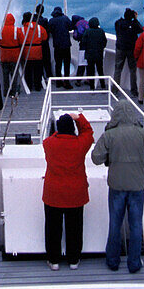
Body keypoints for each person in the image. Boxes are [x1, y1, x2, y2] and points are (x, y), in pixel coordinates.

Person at [91, 101, 144, 274]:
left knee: (115, 223)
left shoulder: (110, 135)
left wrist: (110, 157)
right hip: (137, 186)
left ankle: (113, 261)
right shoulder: (143, 134)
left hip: (116, 186)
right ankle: (134, 263)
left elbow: (96, 158)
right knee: (136, 225)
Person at [42, 111, 94, 270]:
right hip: (75, 193)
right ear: (72, 128)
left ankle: (54, 260)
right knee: (75, 227)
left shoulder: (49, 144)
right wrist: (79, 117)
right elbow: (89, 132)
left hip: (54, 193)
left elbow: (53, 137)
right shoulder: (80, 144)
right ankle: (73, 259)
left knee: (53, 228)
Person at [113, 8, 143, 98]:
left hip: (120, 48)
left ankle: (115, 90)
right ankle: (134, 91)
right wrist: (135, 19)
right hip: (131, 49)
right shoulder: (133, 24)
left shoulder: (118, 23)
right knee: (132, 70)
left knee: (118, 70)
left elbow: (117, 26)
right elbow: (141, 29)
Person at [16, 12, 48, 91]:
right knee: (38, 70)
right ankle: (38, 86)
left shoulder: (22, 29)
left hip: (27, 53)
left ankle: (29, 86)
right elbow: (45, 37)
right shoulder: (40, 28)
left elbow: (19, 40)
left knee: (28, 71)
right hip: (38, 52)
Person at [0, 12, 20, 98]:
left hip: (4, 56)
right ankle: (14, 92)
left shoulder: (0, 30)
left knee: (5, 76)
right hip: (15, 56)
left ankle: (6, 92)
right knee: (14, 75)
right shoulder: (17, 30)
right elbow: (22, 41)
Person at [48, 6, 73, 87]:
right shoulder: (65, 18)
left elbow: (49, 30)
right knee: (66, 64)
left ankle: (58, 82)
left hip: (57, 45)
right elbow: (70, 27)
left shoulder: (51, 20)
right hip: (66, 45)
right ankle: (67, 81)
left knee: (58, 64)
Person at [81, 17, 107, 90]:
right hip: (99, 54)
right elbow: (104, 42)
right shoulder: (101, 31)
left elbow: (83, 42)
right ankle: (103, 85)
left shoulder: (87, 31)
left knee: (91, 71)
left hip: (90, 55)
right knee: (100, 70)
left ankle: (92, 87)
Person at [36, 4, 53, 82]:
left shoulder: (33, 21)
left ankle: (41, 78)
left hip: (35, 45)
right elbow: (48, 31)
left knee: (39, 63)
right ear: (42, 11)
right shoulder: (44, 21)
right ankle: (49, 76)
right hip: (44, 43)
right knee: (47, 61)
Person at [134, 28, 144, 103]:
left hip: (142, 61)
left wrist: (136, 57)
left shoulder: (143, 35)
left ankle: (141, 98)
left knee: (142, 80)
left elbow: (137, 47)